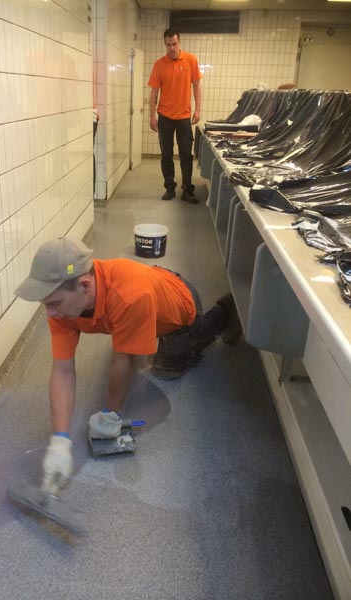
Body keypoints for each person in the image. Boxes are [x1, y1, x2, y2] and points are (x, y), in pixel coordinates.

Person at [14, 237, 242, 495]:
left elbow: (123, 360)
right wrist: (59, 441)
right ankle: (138, 330)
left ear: (84, 285)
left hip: (179, 301)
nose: (50, 313)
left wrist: (112, 414)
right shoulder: (62, 304)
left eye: (54, 304)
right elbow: (63, 369)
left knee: (167, 362)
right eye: (46, 304)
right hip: (145, 291)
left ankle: (226, 310)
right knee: (126, 339)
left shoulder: (130, 295)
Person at [148, 28, 202, 204]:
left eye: (174, 44)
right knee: (166, 155)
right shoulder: (159, 65)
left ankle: (187, 189)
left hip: (184, 117)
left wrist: (198, 109)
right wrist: (152, 117)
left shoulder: (190, 60)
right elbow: (154, 92)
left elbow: (196, 86)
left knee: (186, 155)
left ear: (179, 42)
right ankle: (169, 188)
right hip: (165, 117)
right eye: (168, 45)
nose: (171, 48)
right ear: (165, 44)